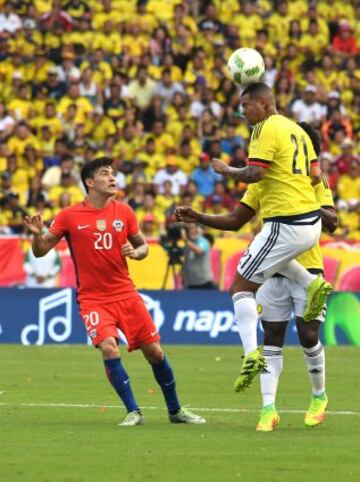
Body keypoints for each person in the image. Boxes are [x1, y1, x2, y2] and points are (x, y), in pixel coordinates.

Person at [24, 156, 205, 426]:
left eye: (113, 173)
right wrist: (37, 234)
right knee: (109, 348)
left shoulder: (125, 212)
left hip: (126, 294)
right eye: (106, 174)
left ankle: (175, 410)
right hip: (93, 299)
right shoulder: (69, 215)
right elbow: (40, 252)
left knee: (154, 352)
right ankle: (134, 411)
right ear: (89, 182)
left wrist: (136, 251)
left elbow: (143, 247)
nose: (113, 178)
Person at [176, 174, 337, 431]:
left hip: (309, 267)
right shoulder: (261, 180)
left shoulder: (314, 180)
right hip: (270, 272)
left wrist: (300, 202)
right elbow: (235, 220)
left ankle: (319, 396)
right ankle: (268, 409)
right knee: (272, 338)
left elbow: (332, 223)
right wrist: (199, 216)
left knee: (308, 335)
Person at [209, 83, 332, 391]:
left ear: (263, 103)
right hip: (308, 224)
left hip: (286, 221)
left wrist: (226, 170)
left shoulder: (265, 129)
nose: (243, 112)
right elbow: (316, 174)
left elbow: (255, 173)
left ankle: (251, 356)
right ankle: (311, 283)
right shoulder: (299, 132)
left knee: (239, 287)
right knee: (272, 254)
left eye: (246, 106)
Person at [182, 223, 216, 289]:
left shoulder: (203, 241)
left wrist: (186, 240)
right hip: (190, 283)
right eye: (188, 228)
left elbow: (199, 251)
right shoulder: (189, 242)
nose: (189, 230)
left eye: (191, 228)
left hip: (204, 283)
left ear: (198, 229)